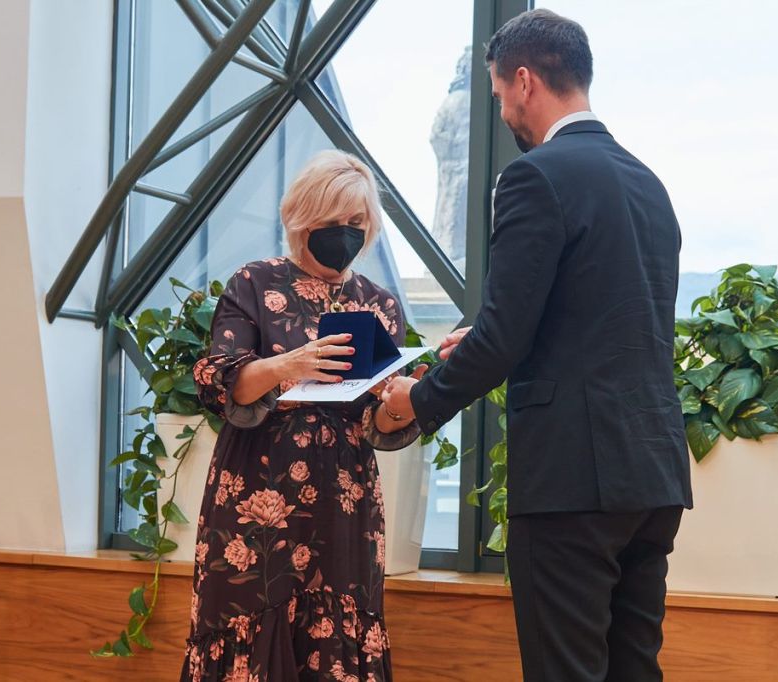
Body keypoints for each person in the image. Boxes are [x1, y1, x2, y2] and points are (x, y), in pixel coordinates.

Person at [381, 9, 693, 682]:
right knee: (634, 670)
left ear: (524, 81)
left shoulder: (535, 176)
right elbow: (607, 320)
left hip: (571, 478)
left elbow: (504, 337)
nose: (502, 113)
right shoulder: (649, 184)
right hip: (652, 474)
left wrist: (417, 401)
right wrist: (491, 333)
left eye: (498, 95)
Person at [181, 150, 424, 682]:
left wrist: (402, 399)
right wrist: (289, 365)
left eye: (357, 221)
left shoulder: (379, 304)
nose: (346, 233)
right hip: (256, 494)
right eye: (333, 220)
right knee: (247, 620)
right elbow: (219, 381)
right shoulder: (254, 283)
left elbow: (379, 424)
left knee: (337, 628)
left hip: (343, 496)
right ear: (301, 218)